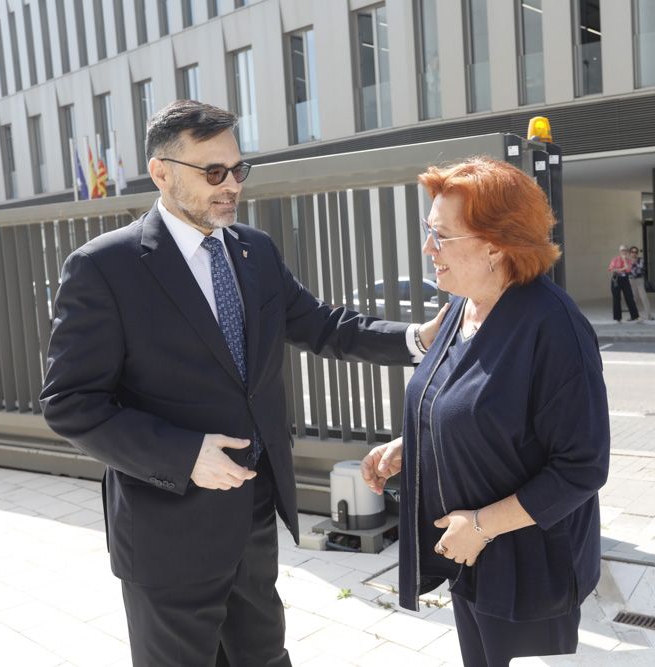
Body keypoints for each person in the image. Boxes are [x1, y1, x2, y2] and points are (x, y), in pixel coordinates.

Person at [39, 100, 444, 666]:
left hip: (253, 517)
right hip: (167, 533)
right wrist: (184, 455)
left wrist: (417, 339)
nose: (230, 186)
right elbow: (70, 403)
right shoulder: (105, 267)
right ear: (161, 172)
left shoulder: (254, 250)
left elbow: (322, 325)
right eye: (212, 173)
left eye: (237, 170)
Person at [359, 157, 609, 666]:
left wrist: (483, 526)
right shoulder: (461, 307)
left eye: (442, 237)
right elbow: (468, 404)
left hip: (526, 568)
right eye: (429, 233)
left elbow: (582, 468)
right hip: (469, 554)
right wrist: (414, 443)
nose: (429, 250)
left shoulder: (554, 327)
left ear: (496, 243)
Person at [607, 245, 639, 322]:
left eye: (625, 250)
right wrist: (621, 269)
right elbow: (611, 269)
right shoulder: (615, 259)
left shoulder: (628, 260)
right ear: (620, 251)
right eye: (622, 250)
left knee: (629, 297)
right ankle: (618, 318)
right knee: (616, 298)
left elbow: (628, 270)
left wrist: (624, 261)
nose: (624, 252)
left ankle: (635, 316)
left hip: (625, 279)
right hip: (616, 280)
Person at [627, 246, 655, 321]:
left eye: (636, 252)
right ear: (630, 253)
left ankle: (649, 315)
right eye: (632, 252)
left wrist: (633, 264)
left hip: (639, 280)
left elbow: (640, 268)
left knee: (644, 297)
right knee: (632, 299)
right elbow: (627, 270)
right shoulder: (627, 261)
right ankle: (633, 316)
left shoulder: (640, 260)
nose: (634, 254)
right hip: (631, 280)